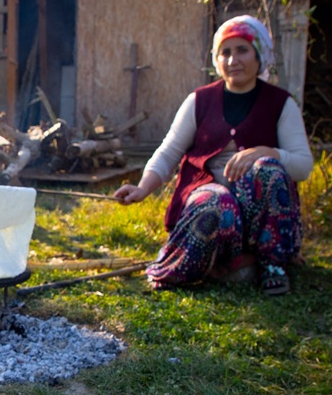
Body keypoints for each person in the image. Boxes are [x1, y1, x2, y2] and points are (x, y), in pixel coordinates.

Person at [113, 15, 313, 295]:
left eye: (242, 50)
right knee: (216, 200)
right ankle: (190, 265)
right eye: (225, 52)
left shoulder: (280, 104)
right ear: (217, 60)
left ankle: (272, 266)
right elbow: (169, 150)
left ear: (259, 55)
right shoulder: (199, 100)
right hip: (213, 206)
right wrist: (143, 188)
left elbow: (303, 166)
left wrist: (267, 152)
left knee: (268, 168)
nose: (233, 60)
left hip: (258, 216)